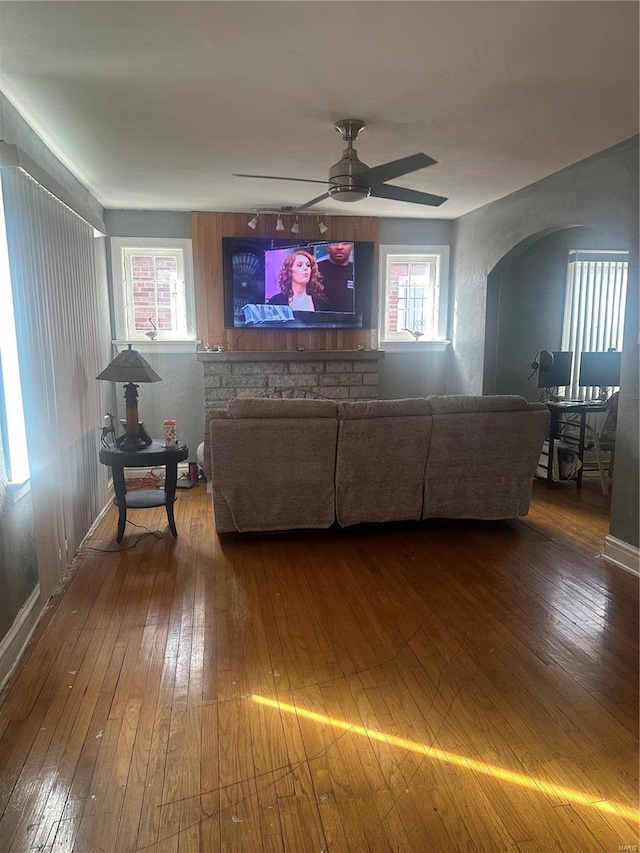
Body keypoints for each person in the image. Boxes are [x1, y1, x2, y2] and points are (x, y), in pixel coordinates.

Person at [317, 242, 355, 313]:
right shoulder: (315, 269)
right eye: (334, 243)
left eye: (345, 243)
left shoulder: (358, 270)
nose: (339, 247)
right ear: (328, 247)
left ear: (352, 247)